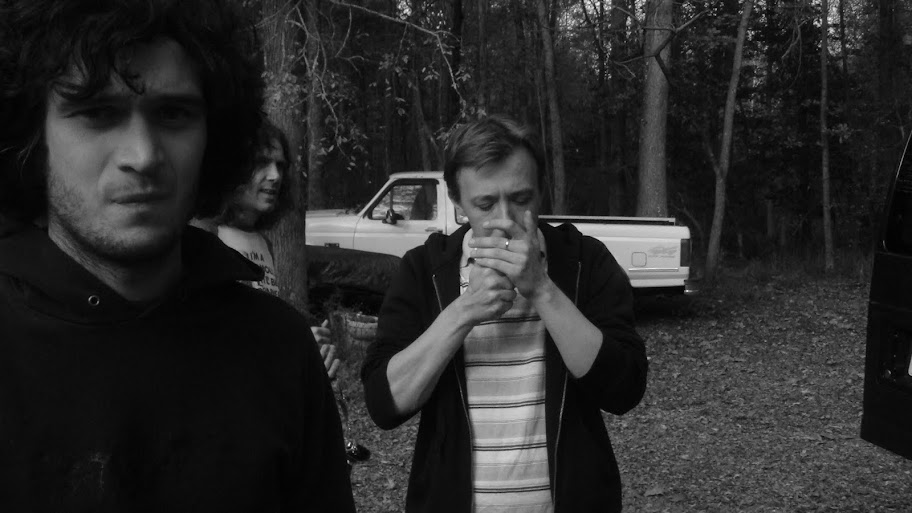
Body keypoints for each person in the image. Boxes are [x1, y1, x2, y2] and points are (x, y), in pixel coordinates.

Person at [0, 1, 355, 511]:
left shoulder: (279, 350)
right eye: (98, 113)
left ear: (214, 135)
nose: (143, 155)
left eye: (173, 114)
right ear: (33, 134)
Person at [361, 115, 648, 512]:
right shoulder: (424, 270)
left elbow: (624, 389)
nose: (505, 220)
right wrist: (463, 311)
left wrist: (542, 290)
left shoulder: (584, 260)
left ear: (541, 190)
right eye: (485, 204)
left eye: (521, 199)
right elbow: (384, 404)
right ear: (457, 202)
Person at [194, 120, 340, 378]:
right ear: (231, 168)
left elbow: (261, 325)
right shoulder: (205, 236)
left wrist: (306, 352)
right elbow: (213, 337)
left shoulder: (263, 242)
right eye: (261, 162)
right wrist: (293, 342)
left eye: (280, 165)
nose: (275, 176)